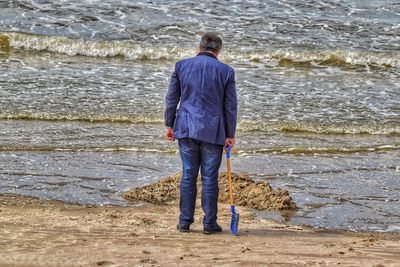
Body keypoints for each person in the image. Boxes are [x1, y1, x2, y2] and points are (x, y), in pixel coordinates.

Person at [164, 32, 237, 234]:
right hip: (213, 131)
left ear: (199, 47)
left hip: (186, 126)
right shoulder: (227, 71)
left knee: (188, 175)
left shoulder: (181, 66)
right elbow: (230, 106)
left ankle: (184, 222)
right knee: (209, 178)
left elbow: (171, 99)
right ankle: (209, 223)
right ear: (218, 51)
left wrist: (169, 124)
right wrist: (230, 134)